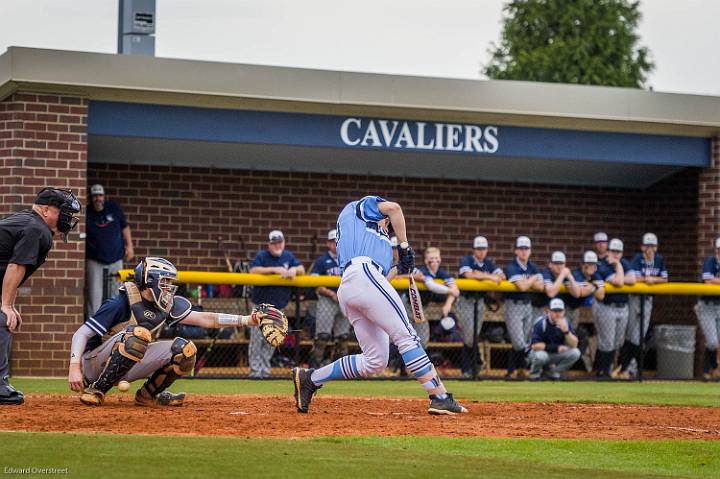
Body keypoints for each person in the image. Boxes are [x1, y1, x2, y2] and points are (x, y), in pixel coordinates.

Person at [292, 195, 467, 415]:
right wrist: (404, 246)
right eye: (387, 226)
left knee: (375, 361)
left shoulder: (371, 241)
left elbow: (381, 282)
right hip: (362, 276)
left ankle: (310, 378)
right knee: (407, 337)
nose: (388, 229)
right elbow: (394, 208)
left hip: (354, 287)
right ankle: (439, 396)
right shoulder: (360, 208)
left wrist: (400, 267)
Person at [69, 257, 281, 406]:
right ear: (150, 281)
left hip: (127, 360)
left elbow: (206, 319)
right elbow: (81, 334)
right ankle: (96, 390)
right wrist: (74, 367)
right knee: (139, 335)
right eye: (164, 282)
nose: (169, 287)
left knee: (186, 350)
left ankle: (148, 396)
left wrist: (247, 320)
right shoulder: (120, 302)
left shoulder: (165, 304)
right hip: (94, 364)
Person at [1, 187, 81, 405]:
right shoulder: (36, 228)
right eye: (63, 211)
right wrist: (6, 306)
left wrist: (9, 303)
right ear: (46, 210)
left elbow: (10, 270)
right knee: (2, 320)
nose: (68, 218)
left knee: (5, 317)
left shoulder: (29, 221)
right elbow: (15, 266)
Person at [248, 230, 304, 378]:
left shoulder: (288, 256)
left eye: (280, 242)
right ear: (269, 244)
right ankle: (255, 372)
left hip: (279, 307)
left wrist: (293, 269)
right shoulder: (262, 256)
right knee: (256, 340)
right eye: (274, 243)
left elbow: (302, 269)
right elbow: (253, 270)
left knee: (272, 339)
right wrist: (274, 269)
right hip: (260, 306)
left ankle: (265, 371)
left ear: (284, 242)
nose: (277, 245)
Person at [614, 233, 668, 379]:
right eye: (647, 246)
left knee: (639, 337)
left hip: (648, 300)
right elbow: (633, 277)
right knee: (631, 334)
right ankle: (626, 368)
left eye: (652, 246)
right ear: (642, 247)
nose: (649, 249)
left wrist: (653, 280)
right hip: (635, 298)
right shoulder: (638, 258)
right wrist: (646, 279)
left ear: (656, 248)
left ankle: (624, 367)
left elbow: (665, 278)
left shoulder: (659, 259)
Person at [456, 235, 505, 377]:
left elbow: (502, 276)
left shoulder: (489, 262)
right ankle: (471, 366)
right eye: (478, 249)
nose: (481, 251)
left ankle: (471, 368)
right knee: (469, 336)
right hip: (465, 301)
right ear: (474, 250)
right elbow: (468, 275)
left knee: (473, 336)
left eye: (483, 249)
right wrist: (489, 277)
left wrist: (480, 274)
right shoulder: (467, 260)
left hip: (480, 303)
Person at [85, 184, 135, 317]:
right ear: (90, 197)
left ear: (104, 196)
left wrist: (129, 246)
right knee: (94, 294)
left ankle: (113, 322)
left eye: (100, 195)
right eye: (95, 196)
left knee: (116, 292)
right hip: (94, 259)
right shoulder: (86, 212)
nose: (98, 199)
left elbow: (125, 227)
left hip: (115, 257)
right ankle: (93, 325)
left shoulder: (114, 208)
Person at [592, 238, 636, 378]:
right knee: (607, 342)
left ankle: (608, 370)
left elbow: (633, 279)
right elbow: (619, 282)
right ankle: (602, 372)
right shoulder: (602, 266)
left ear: (622, 253)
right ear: (608, 251)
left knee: (617, 342)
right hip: (607, 307)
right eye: (613, 251)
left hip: (623, 307)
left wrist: (618, 265)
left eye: (618, 252)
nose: (615, 254)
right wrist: (617, 266)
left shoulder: (624, 263)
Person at [504, 236, 544, 379]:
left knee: (525, 341)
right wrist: (533, 279)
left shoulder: (533, 266)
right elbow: (522, 286)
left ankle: (515, 370)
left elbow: (541, 286)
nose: (524, 251)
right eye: (521, 248)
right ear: (516, 250)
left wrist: (529, 281)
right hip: (513, 306)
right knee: (518, 341)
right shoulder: (512, 266)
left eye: (526, 248)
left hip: (528, 306)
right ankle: (518, 368)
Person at [402, 247, 460, 347]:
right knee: (405, 337)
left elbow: (455, 289)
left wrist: (448, 304)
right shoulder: (421, 270)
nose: (434, 261)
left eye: (436, 258)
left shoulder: (441, 273)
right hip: (407, 304)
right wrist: (450, 291)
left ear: (440, 259)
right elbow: (431, 286)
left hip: (421, 308)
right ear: (425, 260)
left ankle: (418, 360)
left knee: (423, 339)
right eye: (430, 258)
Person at [309, 229, 349, 368]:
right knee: (322, 336)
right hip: (327, 300)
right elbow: (315, 284)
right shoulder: (321, 260)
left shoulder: (348, 259)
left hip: (344, 300)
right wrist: (332, 294)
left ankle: (341, 369)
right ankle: (314, 369)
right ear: (328, 243)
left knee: (343, 338)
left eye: (337, 242)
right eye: (332, 242)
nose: (335, 245)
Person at [527, 298, 581, 380]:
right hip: (537, 354)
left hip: (555, 354)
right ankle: (534, 375)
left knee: (576, 352)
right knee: (540, 356)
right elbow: (534, 346)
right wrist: (556, 348)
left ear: (564, 312)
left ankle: (553, 373)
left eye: (560, 311)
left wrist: (566, 332)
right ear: (548, 311)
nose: (558, 314)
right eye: (555, 311)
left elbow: (574, 344)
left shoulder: (565, 323)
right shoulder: (541, 322)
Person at [697, 237, 720, 381]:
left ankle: (711, 370)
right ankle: (709, 369)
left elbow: (713, 281)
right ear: (716, 250)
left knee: (718, 342)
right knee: (712, 341)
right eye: (719, 250)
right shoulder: (710, 262)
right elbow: (707, 281)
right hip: (707, 306)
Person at [565, 251, 605, 328]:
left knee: (572, 334)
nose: (594, 267)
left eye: (595, 265)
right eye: (592, 265)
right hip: (564, 308)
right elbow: (579, 293)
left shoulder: (595, 275)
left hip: (575, 308)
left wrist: (590, 287)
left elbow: (601, 295)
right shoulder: (577, 274)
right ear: (584, 265)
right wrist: (594, 286)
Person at [536, 251, 581, 317]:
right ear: (550, 264)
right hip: (543, 309)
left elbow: (577, 294)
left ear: (565, 264)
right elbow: (551, 293)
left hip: (561, 309)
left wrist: (570, 277)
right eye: (556, 263)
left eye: (561, 263)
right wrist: (562, 275)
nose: (559, 266)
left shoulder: (566, 274)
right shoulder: (547, 272)